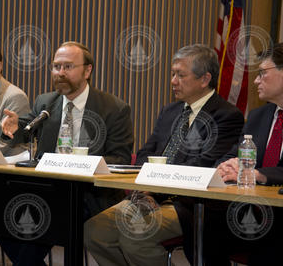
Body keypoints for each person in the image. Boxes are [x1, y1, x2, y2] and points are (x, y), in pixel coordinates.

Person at [84, 44, 244, 266]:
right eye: (172, 74)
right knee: (95, 230)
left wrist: (155, 190)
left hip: (190, 204)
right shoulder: (170, 111)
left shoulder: (226, 115)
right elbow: (144, 155)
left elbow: (203, 165)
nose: (173, 81)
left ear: (205, 79)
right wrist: (147, 191)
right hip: (150, 195)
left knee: (135, 236)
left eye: (180, 75)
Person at [0, 41, 134, 266]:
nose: (60, 73)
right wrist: (12, 128)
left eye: (68, 67)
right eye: (56, 66)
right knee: (1, 217)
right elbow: (26, 128)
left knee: (40, 223)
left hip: (89, 196)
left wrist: (79, 164)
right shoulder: (46, 102)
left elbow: (119, 159)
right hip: (47, 191)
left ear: (87, 70)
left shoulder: (114, 108)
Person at [211, 43, 283, 266]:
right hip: (251, 209)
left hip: (278, 214)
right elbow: (233, 154)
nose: (255, 81)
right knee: (203, 226)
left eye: (262, 73)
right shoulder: (258, 116)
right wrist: (225, 166)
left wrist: (260, 175)